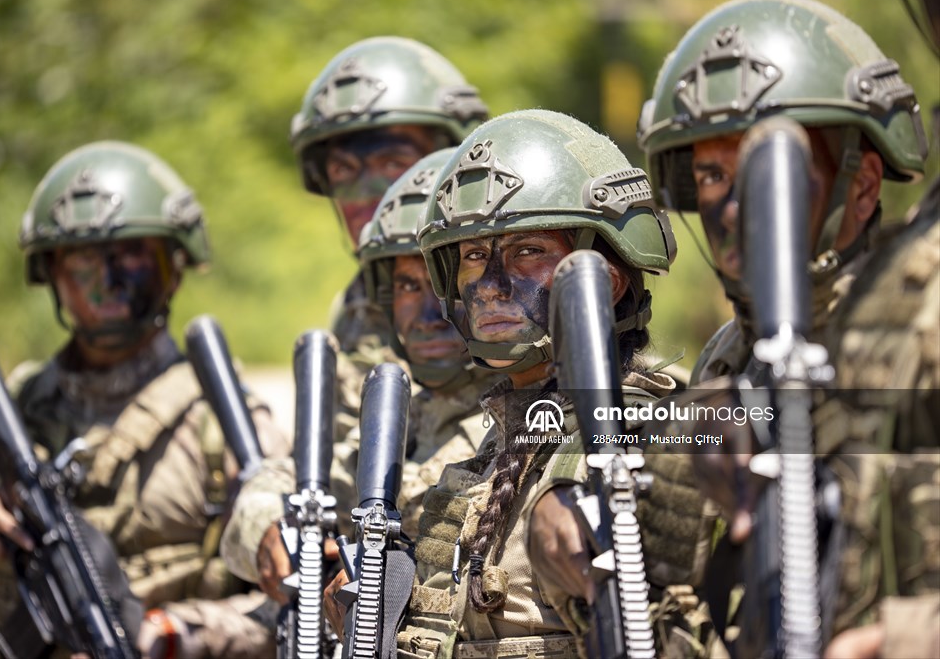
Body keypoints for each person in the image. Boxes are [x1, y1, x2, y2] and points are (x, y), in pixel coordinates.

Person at [323, 109, 717, 658]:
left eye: (527, 251)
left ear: (609, 279)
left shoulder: (655, 443)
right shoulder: (496, 452)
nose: (490, 285)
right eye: (475, 257)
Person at [637, 0, 939, 657]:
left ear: (859, 189)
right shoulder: (724, 359)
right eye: (712, 173)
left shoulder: (921, 321)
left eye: (769, 169)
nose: (735, 206)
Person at [0, 141, 292, 658]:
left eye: (134, 254)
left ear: (175, 267)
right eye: (83, 258)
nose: (108, 279)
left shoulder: (224, 422)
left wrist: (165, 636)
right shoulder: (15, 410)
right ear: (51, 273)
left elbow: (294, 608)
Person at [221, 147, 499, 604]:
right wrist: (268, 527)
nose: (427, 314)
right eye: (408, 286)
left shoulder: (530, 412)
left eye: (441, 285)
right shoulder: (415, 410)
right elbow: (298, 478)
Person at [290, 36, 488, 358]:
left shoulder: (506, 289)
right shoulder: (356, 308)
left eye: (394, 164)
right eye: (343, 170)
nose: (367, 196)